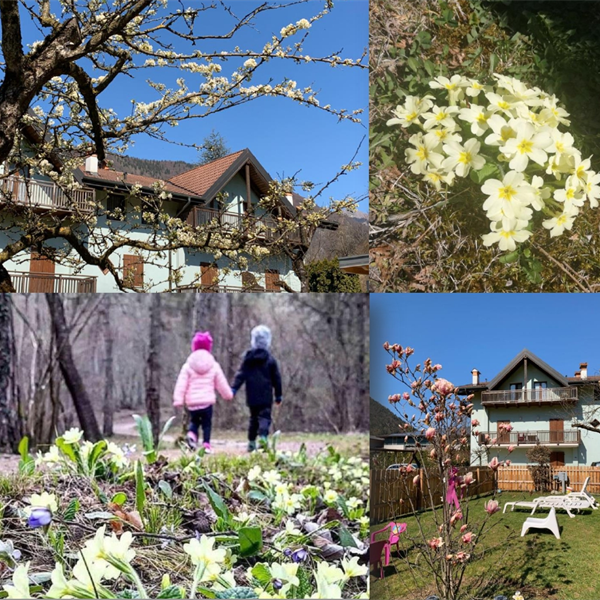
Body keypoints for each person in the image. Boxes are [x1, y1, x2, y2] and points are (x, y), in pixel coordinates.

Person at [173, 331, 233, 453]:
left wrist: (178, 399)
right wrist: (228, 394)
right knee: (206, 424)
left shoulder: (188, 365)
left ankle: (191, 436)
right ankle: (206, 445)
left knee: (194, 422)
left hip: (193, 403)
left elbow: (181, 383)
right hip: (207, 402)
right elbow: (220, 382)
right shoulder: (213, 365)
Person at [231, 325, 282, 452]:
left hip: (252, 396)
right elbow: (277, 379)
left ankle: (251, 442)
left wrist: (234, 389)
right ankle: (263, 438)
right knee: (265, 417)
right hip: (266, 396)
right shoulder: (270, 360)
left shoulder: (248, 359)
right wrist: (278, 395)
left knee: (253, 419)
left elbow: (240, 375)